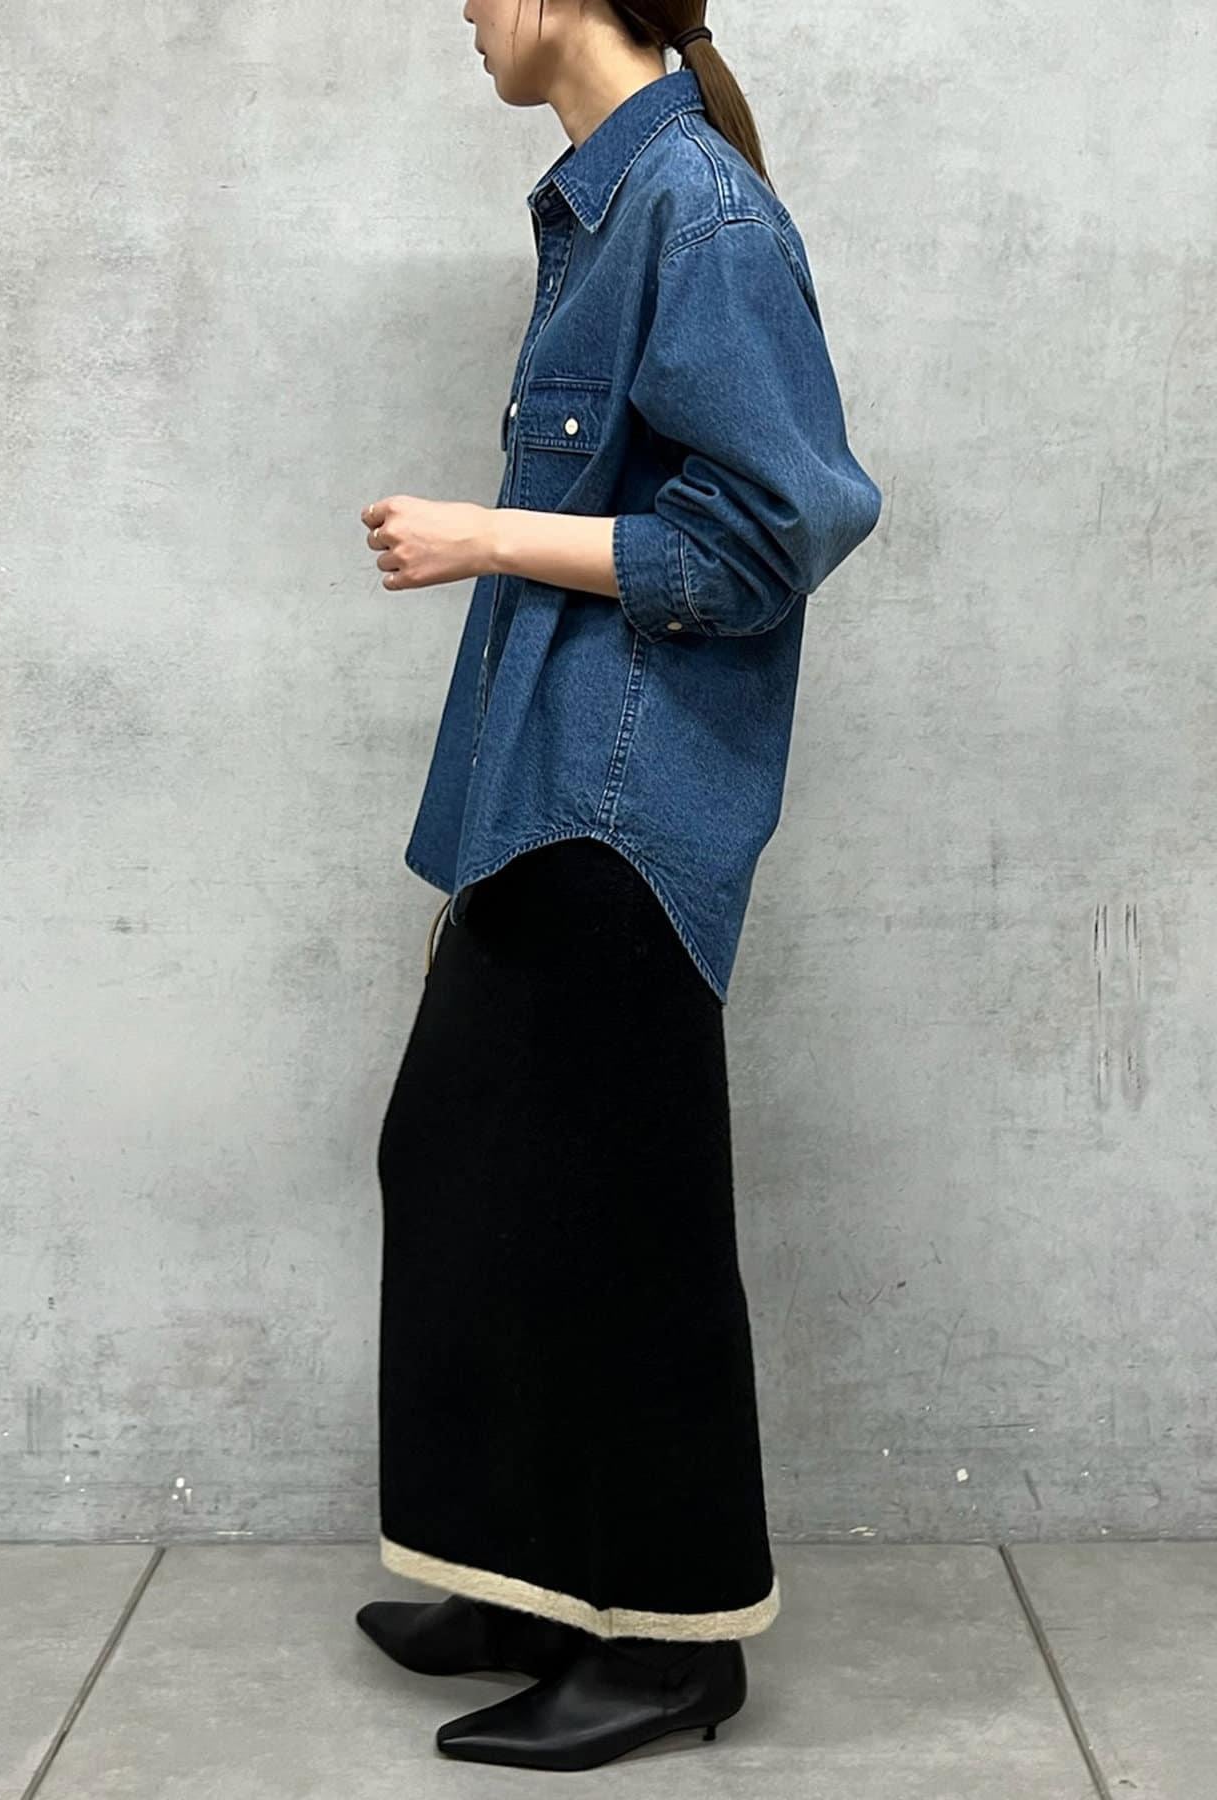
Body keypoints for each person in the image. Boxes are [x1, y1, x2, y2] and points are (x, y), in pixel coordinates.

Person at [357, 0, 881, 1773]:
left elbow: (780, 527)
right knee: (468, 1173)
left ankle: (669, 1647)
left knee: (622, 1227)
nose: (462, 11)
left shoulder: (701, 212)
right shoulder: (609, 200)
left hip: (626, 803)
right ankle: (521, 1581)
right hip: (543, 785)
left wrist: (484, 534)